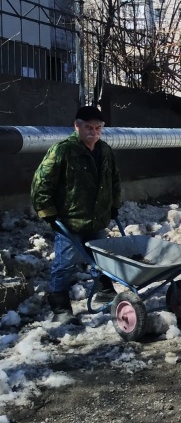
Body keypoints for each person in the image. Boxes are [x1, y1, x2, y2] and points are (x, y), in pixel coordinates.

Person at [30, 106, 122, 324]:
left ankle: (105, 292)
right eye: (88, 127)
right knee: (65, 263)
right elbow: (41, 182)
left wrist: (114, 204)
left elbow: (114, 180)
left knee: (102, 256)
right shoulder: (63, 150)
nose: (94, 132)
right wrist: (48, 213)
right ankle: (60, 307)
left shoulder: (105, 150)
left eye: (98, 128)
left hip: (97, 218)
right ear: (77, 126)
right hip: (70, 220)